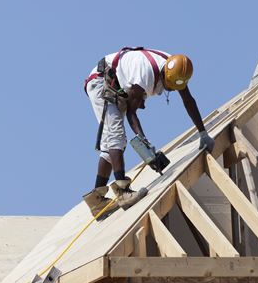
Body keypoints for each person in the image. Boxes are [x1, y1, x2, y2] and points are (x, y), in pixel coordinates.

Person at [82, 47, 215, 219]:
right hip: (101, 82)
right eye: (169, 86)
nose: (171, 90)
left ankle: (96, 200)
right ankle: (123, 192)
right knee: (116, 136)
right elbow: (131, 113)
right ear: (165, 75)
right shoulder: (145, 75)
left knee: (111, 144)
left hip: (116, 85)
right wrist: (147, 150)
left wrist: (203, 133)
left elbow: (188, 100)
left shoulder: (177, 68)